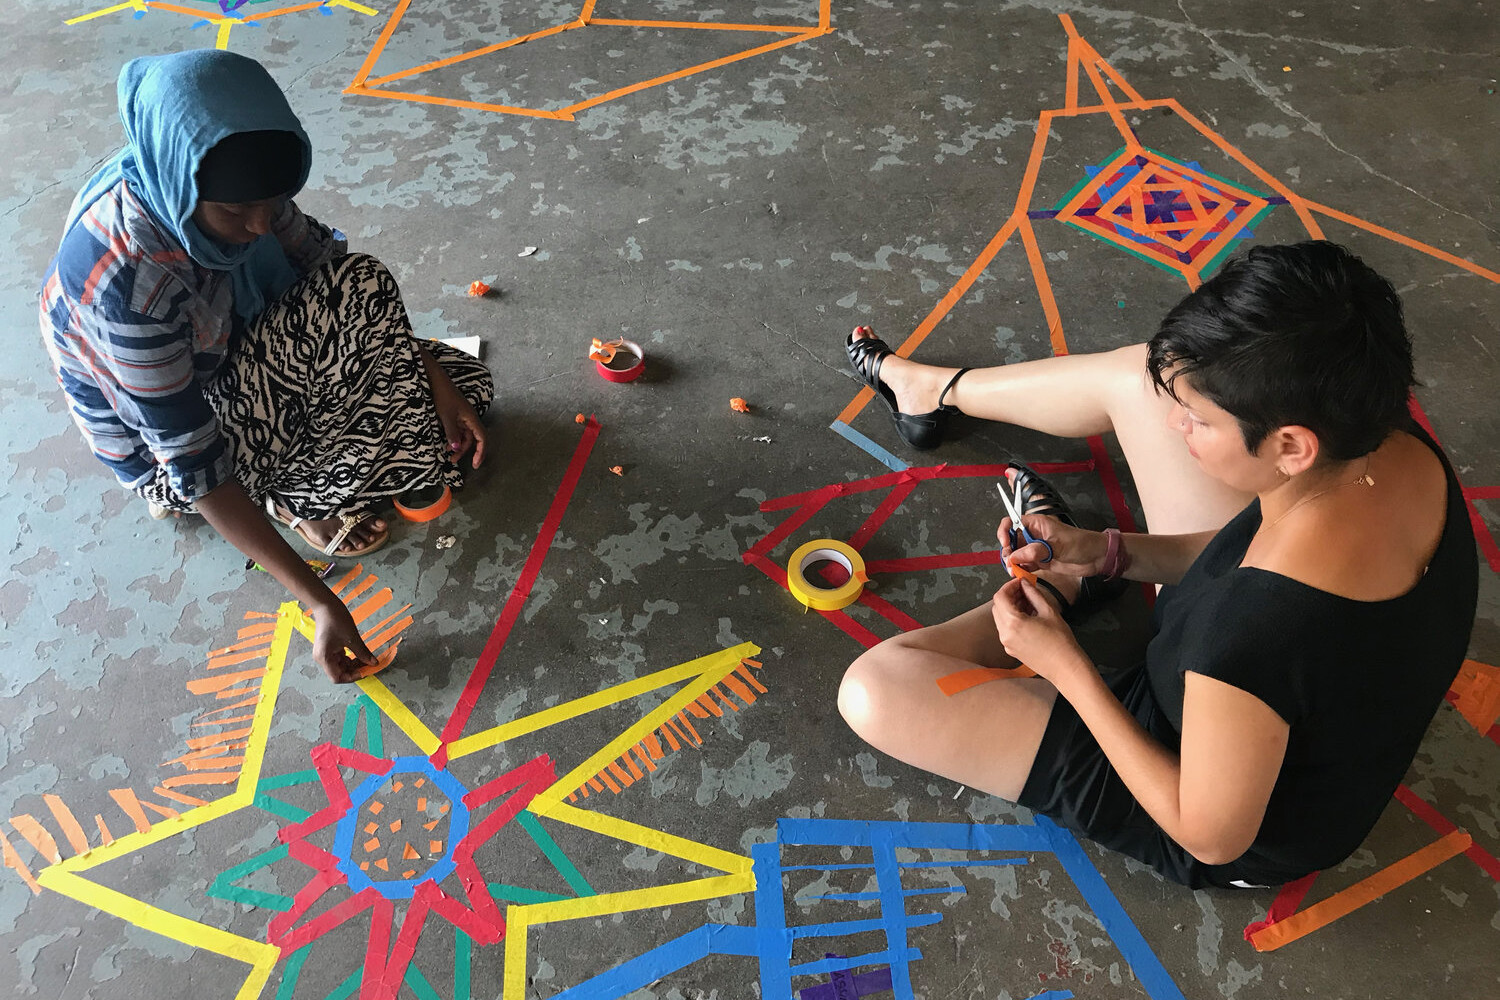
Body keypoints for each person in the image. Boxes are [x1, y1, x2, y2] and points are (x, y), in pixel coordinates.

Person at [838, 241, 1478, 888]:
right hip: (1262, 699)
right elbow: (1243, 556)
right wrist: (1106, 551)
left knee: (876, 691)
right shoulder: (1384, 442)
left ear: (1291, 446)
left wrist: (1067, 664)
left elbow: (1212, 835)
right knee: (1140, 379)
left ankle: (1062, 596)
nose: (1175, 424)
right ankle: (931, 394)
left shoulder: (1247, 636)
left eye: (1195, 421)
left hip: (1202, 794)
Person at [39, 50, 493, 683]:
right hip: (177, 453)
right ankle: (292, 498)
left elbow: (332, 277)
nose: (259, 225)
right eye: (235, 212)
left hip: (234, 356)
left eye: (273, 202)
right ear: (184, 182)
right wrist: (321, 600)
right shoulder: (127, 283)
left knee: (389, 312)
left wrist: (431, 378)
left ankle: (326, 466)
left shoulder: (225, 190)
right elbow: (194, 460)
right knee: (387, 418)